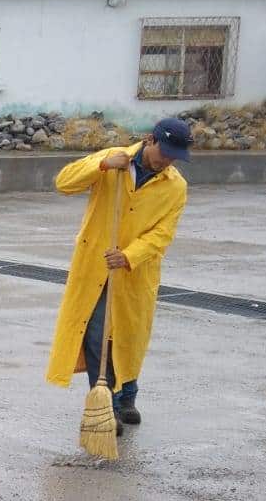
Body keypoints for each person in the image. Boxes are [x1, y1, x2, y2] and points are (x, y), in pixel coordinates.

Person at [47, 118, 191, 430]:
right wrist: (100, 165)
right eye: (164, 152)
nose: (167, 161)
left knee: (129, 336)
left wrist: (129, 256)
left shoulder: (176, 186)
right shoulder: (114, 159)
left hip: (135, 271)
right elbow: (63, 182)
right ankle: (107, 406)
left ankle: (128, 395)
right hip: (95, 265)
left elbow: (163, 234)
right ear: (150, 140)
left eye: (174, 156)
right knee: (98, 334)